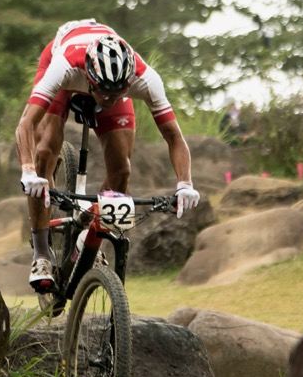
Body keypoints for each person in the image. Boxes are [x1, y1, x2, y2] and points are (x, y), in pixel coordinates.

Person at [14, 19, 201, 291]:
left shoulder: (144, 78)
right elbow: (26, 124)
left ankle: (88, 239)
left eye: (118, 93)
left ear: (129, 83)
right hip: (65, 63)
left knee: (122, 170)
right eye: (104, 92)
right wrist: (28, 170)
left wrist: (185, 184)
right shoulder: (64, 66)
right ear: (92, 78)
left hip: (108, 77)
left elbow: (174, 136)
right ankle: (42, 253)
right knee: (45, 150)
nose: (110, 99)